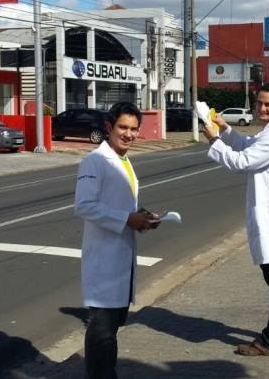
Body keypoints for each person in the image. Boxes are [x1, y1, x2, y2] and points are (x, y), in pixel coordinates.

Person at [201, 83, 269, 357]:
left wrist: (213, 140)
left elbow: (241, 161)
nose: (262, 108)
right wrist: (225, 129)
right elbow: (248, 145)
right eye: (259, 103)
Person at [74, 102, 160, 379]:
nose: (129, 134)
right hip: (103, 261)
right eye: (123, 127)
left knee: (111, 328)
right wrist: (127, 219)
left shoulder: (124, 159)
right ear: (109, 126)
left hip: (121, 258)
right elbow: (84, 205)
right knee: (102, 333)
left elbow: (121, 202)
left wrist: (142, 216)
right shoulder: (95, 161)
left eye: (134, 129)